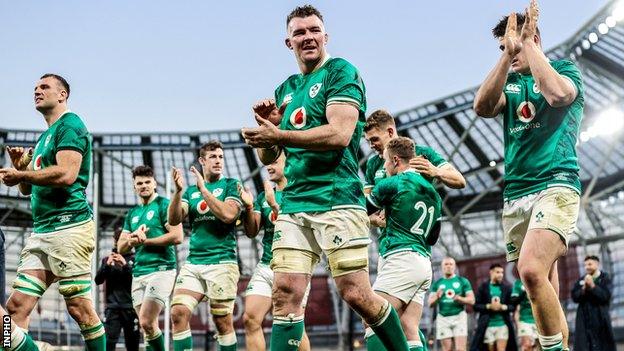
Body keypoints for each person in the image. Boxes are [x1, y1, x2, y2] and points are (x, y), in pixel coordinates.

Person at [241, 5, 411, 350]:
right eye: (299, 32)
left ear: (326, 36)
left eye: (314, 30)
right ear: (288, 42)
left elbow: (340, 135)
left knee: (357, 293)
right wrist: (268, 128)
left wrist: (280, 135)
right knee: (285, 293)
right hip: (294, 203)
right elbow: (270, 156)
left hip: (338, 198)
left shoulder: (340, 72)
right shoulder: (286, 88)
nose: (308, 37)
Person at [473, 1, 583, 349]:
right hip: (516, 194)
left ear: (532, 37)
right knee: (542, 284)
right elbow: (482, 107)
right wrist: (507, 56)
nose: (511, 49)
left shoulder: (565, 70)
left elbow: (558, 94)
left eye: (515, 41)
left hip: (556, 183)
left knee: (531, 270)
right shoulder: (509, 83)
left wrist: (529, 45)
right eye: (503, 44)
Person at [0, 74, 105, 350]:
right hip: (42, 232)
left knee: (79, 309)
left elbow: (67, 174)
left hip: (69, 226)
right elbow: (27, 189)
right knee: (15, 308)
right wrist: (21, 170)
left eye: (44, 87)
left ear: (62, 95)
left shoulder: (70, 125)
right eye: (35, 87)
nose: (37, 90)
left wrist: (22, 172)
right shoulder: (46, 136)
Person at [365, 137, 442, 351]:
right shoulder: (434, 194)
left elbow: (364, 210)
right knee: (409, 327)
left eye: (386, 162)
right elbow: (433, 236)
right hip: (423, 262)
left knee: (373, 318)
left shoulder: (393, 183)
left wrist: (374, 218)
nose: (385, 167)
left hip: (400, 257)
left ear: (396, 160)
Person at [168, 141, 243, 351]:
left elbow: (229, 215)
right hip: (194, 263)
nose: (218, 161)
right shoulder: (190, 192)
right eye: (213, 157)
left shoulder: (231, 184)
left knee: (221, 322)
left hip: (222, 262)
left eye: (221, 157)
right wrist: (178, 192)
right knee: (178, 313)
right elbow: (173, 220)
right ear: (202, 161)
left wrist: (203, 189)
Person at [239, 154, 311, 351]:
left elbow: (301, 226)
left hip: (294, 267)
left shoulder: (300, 191)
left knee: (295, 324)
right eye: (267, 163)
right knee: (250, 319)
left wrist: (274, 205)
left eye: (274, 162)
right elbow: (252, 232)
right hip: (267, 265)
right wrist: (249, 207)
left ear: (287, 163)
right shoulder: (264, 195)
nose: (268, 167)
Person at [117, 165, 183, 351]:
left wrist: (145, 241)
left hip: (161, 270)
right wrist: (132, 239)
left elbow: (177, 236)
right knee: (148, 327)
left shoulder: (163, 205)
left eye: (147, 182)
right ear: (134, 187)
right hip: (139, 273)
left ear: (154, 183)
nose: (143, 185)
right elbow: (121, 247)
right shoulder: (133, 213)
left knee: (146, 320)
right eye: (139, 183)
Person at [363, 109, 465, 193]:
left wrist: (436, 171)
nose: (371, 145)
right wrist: (372, 217)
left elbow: (460, 181)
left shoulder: (422, 152)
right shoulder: (372, 163)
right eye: (368, 141)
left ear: (390, 131)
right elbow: (367, 199)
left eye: (375, 139)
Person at [95, 229, 140, 351]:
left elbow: (137, 281)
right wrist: (107, 266)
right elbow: (98, 280)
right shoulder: (107, 259)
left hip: (131, 308)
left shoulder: (135, 259)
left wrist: (125, 265)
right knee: (109, 343)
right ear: (114, 241)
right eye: (117, 239)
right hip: (112, 309)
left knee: (132, 344)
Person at [429, 257, 474, 351]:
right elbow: (430, 304)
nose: (448, 266)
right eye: (446, 264)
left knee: (461, 349)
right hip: (443, 318)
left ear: (455, 267)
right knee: (447, 349)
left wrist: (460, 298)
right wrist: (437, 297)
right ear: (442, 267)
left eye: (451, 264)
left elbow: (472, 300)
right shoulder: (437, 284)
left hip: (459, 316)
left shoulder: (462, 281)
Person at [571, 255, 615, 351]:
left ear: (597, 264)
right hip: (584, 320)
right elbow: (574, 296)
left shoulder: (605, 279)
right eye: (585, 265)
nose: (587, 267)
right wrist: (583, 289)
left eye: (590, 264)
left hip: (600, 319)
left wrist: (593, 286)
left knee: (602, 345)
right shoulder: (581, 280)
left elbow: (605, 296)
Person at [470, 264, 516, 351]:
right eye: (498, 272)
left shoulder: (507, 288)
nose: (500, 275)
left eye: (502, 272)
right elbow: (476, 306)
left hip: (503, 324)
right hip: (487, 325)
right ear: (491, 272)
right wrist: (489, 306)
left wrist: (502, 307)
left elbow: (512, 306)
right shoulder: (483, 287)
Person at [511, 278, 537, 351]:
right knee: (527, 345)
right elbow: (514, 301)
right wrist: (524, 291)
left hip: (539, 321)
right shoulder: (518, 283)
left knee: (538, 347)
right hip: (524, 319)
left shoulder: (540, 280)